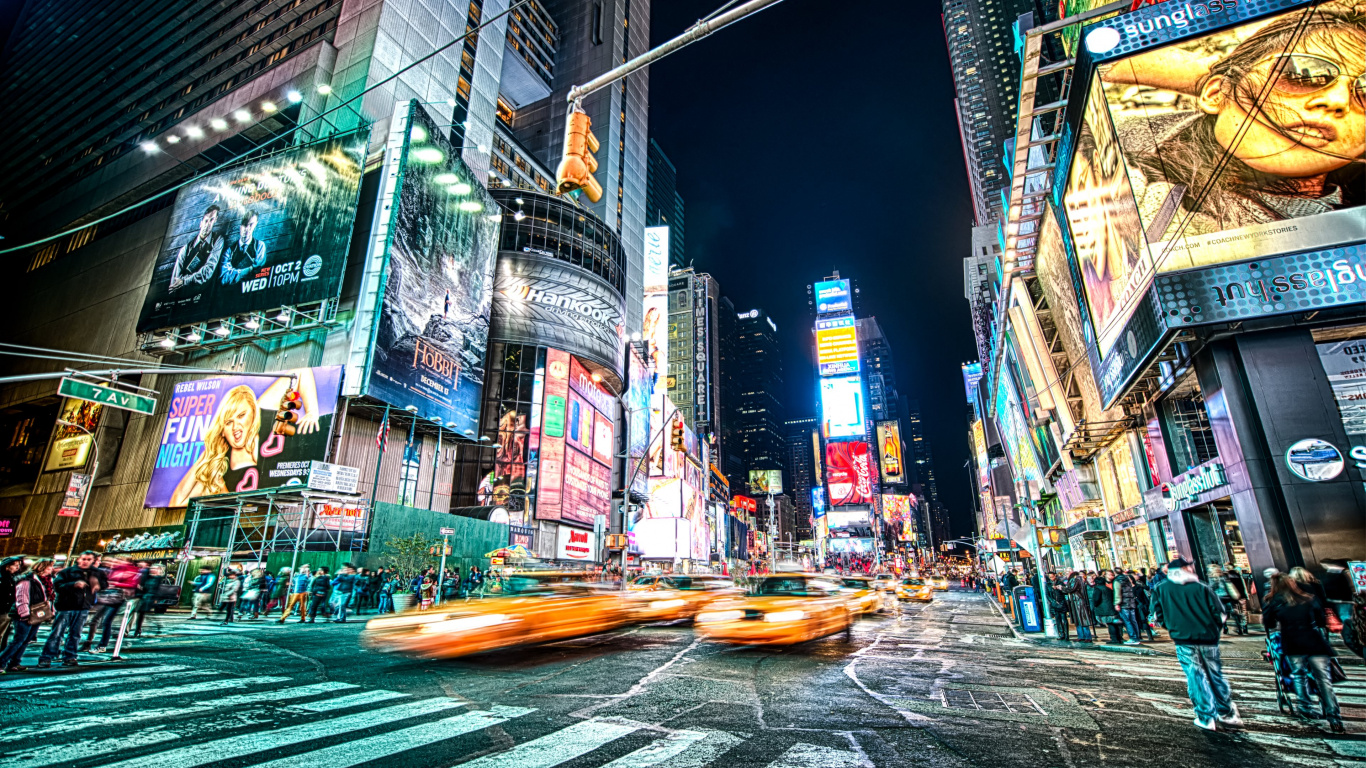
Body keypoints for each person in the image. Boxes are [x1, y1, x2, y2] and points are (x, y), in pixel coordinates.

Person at [1101, 8, 1366, 251]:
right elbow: (1086, 46)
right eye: (1300, 73)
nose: (1337, 101)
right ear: (1214, 92)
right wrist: (1224, 83)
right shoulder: (1132, 186)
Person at [168, 371, 321, 507]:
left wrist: (312, 412)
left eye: (241, 416)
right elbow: (177, 501)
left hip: (326, 446)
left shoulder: (262, 413)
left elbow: (301, 372)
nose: (236, 426)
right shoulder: (221, 468)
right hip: (296, 496)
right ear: (221, 430)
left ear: (253, 414)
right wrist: (209, 453)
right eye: (228, 422)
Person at [1152, 558, 1241, 731]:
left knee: (1195, 675)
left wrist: (1173, 627)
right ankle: (1226, 713)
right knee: (1215, 675)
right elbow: (1221, 614)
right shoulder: (1201, 587)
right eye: (1189, 566)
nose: (1192, 568)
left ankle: (1206, 716)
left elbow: (1157, 615)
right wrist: (1214, 629)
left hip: (1184, 638)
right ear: (1185, 569)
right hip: (1207, 638)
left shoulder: (1161, 589)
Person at [1263, 572, 1344, 732]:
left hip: (1292, 641)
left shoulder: (1273, 602)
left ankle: (1305, 707)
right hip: (1314, 641)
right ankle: (1334, 716)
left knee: (1299, 675)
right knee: (1324, 680)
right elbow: (1321, 619)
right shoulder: (1308, 598)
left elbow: (1268, 622)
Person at [37, 551, 102, 668]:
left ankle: (70, 656)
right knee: (57, 633)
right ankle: (47, 657)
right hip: (66, 606)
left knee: (76, 634)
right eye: (97, 561)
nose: (98, 563)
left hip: (83, 607)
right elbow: (57, 586)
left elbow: (101, 586)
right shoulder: (67, 572)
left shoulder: (95, 574)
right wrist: (73, 584)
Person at [0, 558, 55, 673]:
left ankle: (14, 663)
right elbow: (21, 598)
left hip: (37, 614)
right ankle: (2, 662)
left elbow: (47, 598)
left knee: (26, 640)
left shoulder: (46, 580)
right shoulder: (27, 580)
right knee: (19, 640)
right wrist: (25, 614)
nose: (52, 569)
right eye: (49, 567)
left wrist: (50, 611)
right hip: (25, 614)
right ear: (42, 568)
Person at [168, 204, 223, 290]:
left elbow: (208, 271)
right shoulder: (185, 249)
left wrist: (184, 281)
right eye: (206, 221)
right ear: (201, 223)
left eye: (211, 220)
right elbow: (174, 284)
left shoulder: (218, 240)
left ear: (215, 220)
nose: (208, 225)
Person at [219, 210, 267, 284]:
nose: (247, 229)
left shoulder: (259, 246)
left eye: (251, 224)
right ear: (240, 225)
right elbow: (224, 278)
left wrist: (234, 272)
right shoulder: (229, 252)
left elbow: (258, 270)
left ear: (255, 224)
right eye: (244, 224)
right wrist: (247, 270)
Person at [132, 564, 167, 638]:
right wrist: (141, 588)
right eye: (152, 568)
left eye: (154, 568)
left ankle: (158, 625)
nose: (152, 569)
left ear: (158, 570)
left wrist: (155, 599)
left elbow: (156, 590)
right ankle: (138, 630)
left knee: (146, 614)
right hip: (144, 597)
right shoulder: (148, 577)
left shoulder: (158, 578)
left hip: (151, 598)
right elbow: (144, 587)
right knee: (141, 614)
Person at [1092, 570, 1123, 644]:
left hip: (1104, 609)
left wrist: (1095, 605)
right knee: (1114, 624)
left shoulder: (1097, 589)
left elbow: (1096, 599)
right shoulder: (1108, 588)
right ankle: (1118, 638)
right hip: (1111, 608)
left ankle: (1114, 639)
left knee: (1110, 624)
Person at [0, 556, 25, 649]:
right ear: (7, 567)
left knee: (4, 635)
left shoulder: (13, 578)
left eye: (19, 565)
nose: (17, 567)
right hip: (4, 610)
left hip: (8, 609)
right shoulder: (4, 579)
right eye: (15, 565)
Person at [1114, 569, 1143, 645]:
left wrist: (1117, 603)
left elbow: (1117, 593)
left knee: (1127, 621)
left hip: (1123, 603)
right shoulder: (1127, 579)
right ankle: (1136, 637)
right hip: (1131, 602)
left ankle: (1133, 638)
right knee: (1133, 621)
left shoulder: (1117, 581)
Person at [1046, 572, 1071, 641]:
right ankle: (1061, 634)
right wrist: (1053, 602)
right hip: (1054, 604)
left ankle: (1066, 635)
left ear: (1055, 576)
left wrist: (1060, 588)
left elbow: (1065, 592)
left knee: (1064, 619)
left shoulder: (1060, 583)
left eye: (1052, 577)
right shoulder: (1048, 584)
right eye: (1050, 577)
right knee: (1058, 620)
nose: (1051, 578)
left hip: (1061, 603)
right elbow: (1047, 595)